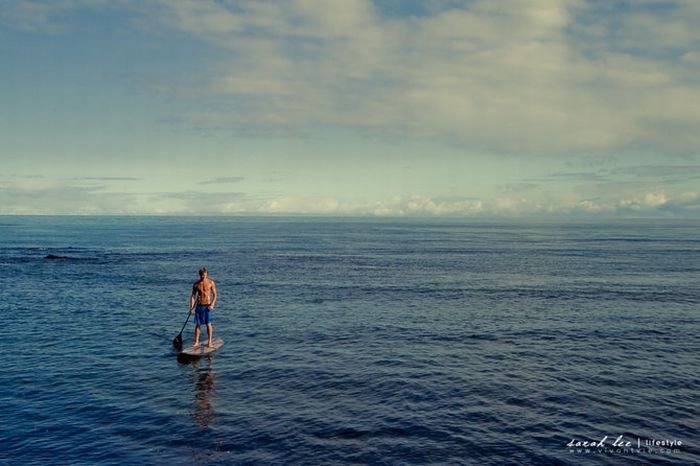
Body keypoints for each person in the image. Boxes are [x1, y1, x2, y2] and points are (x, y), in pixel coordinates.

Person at [189, 267, 217, 348]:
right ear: (199, 275)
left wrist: (212, 304)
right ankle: (196, 342)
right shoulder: (196, 284)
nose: (203, 277)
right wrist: (191, 308)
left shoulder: (211, 282)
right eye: (201, 275)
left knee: (208, 324)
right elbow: (193, 296)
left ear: (207, 274)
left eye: (204, 275)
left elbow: (215, 295)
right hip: (199, 306)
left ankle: (210, 342)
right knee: (198, 324)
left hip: (207, 306)